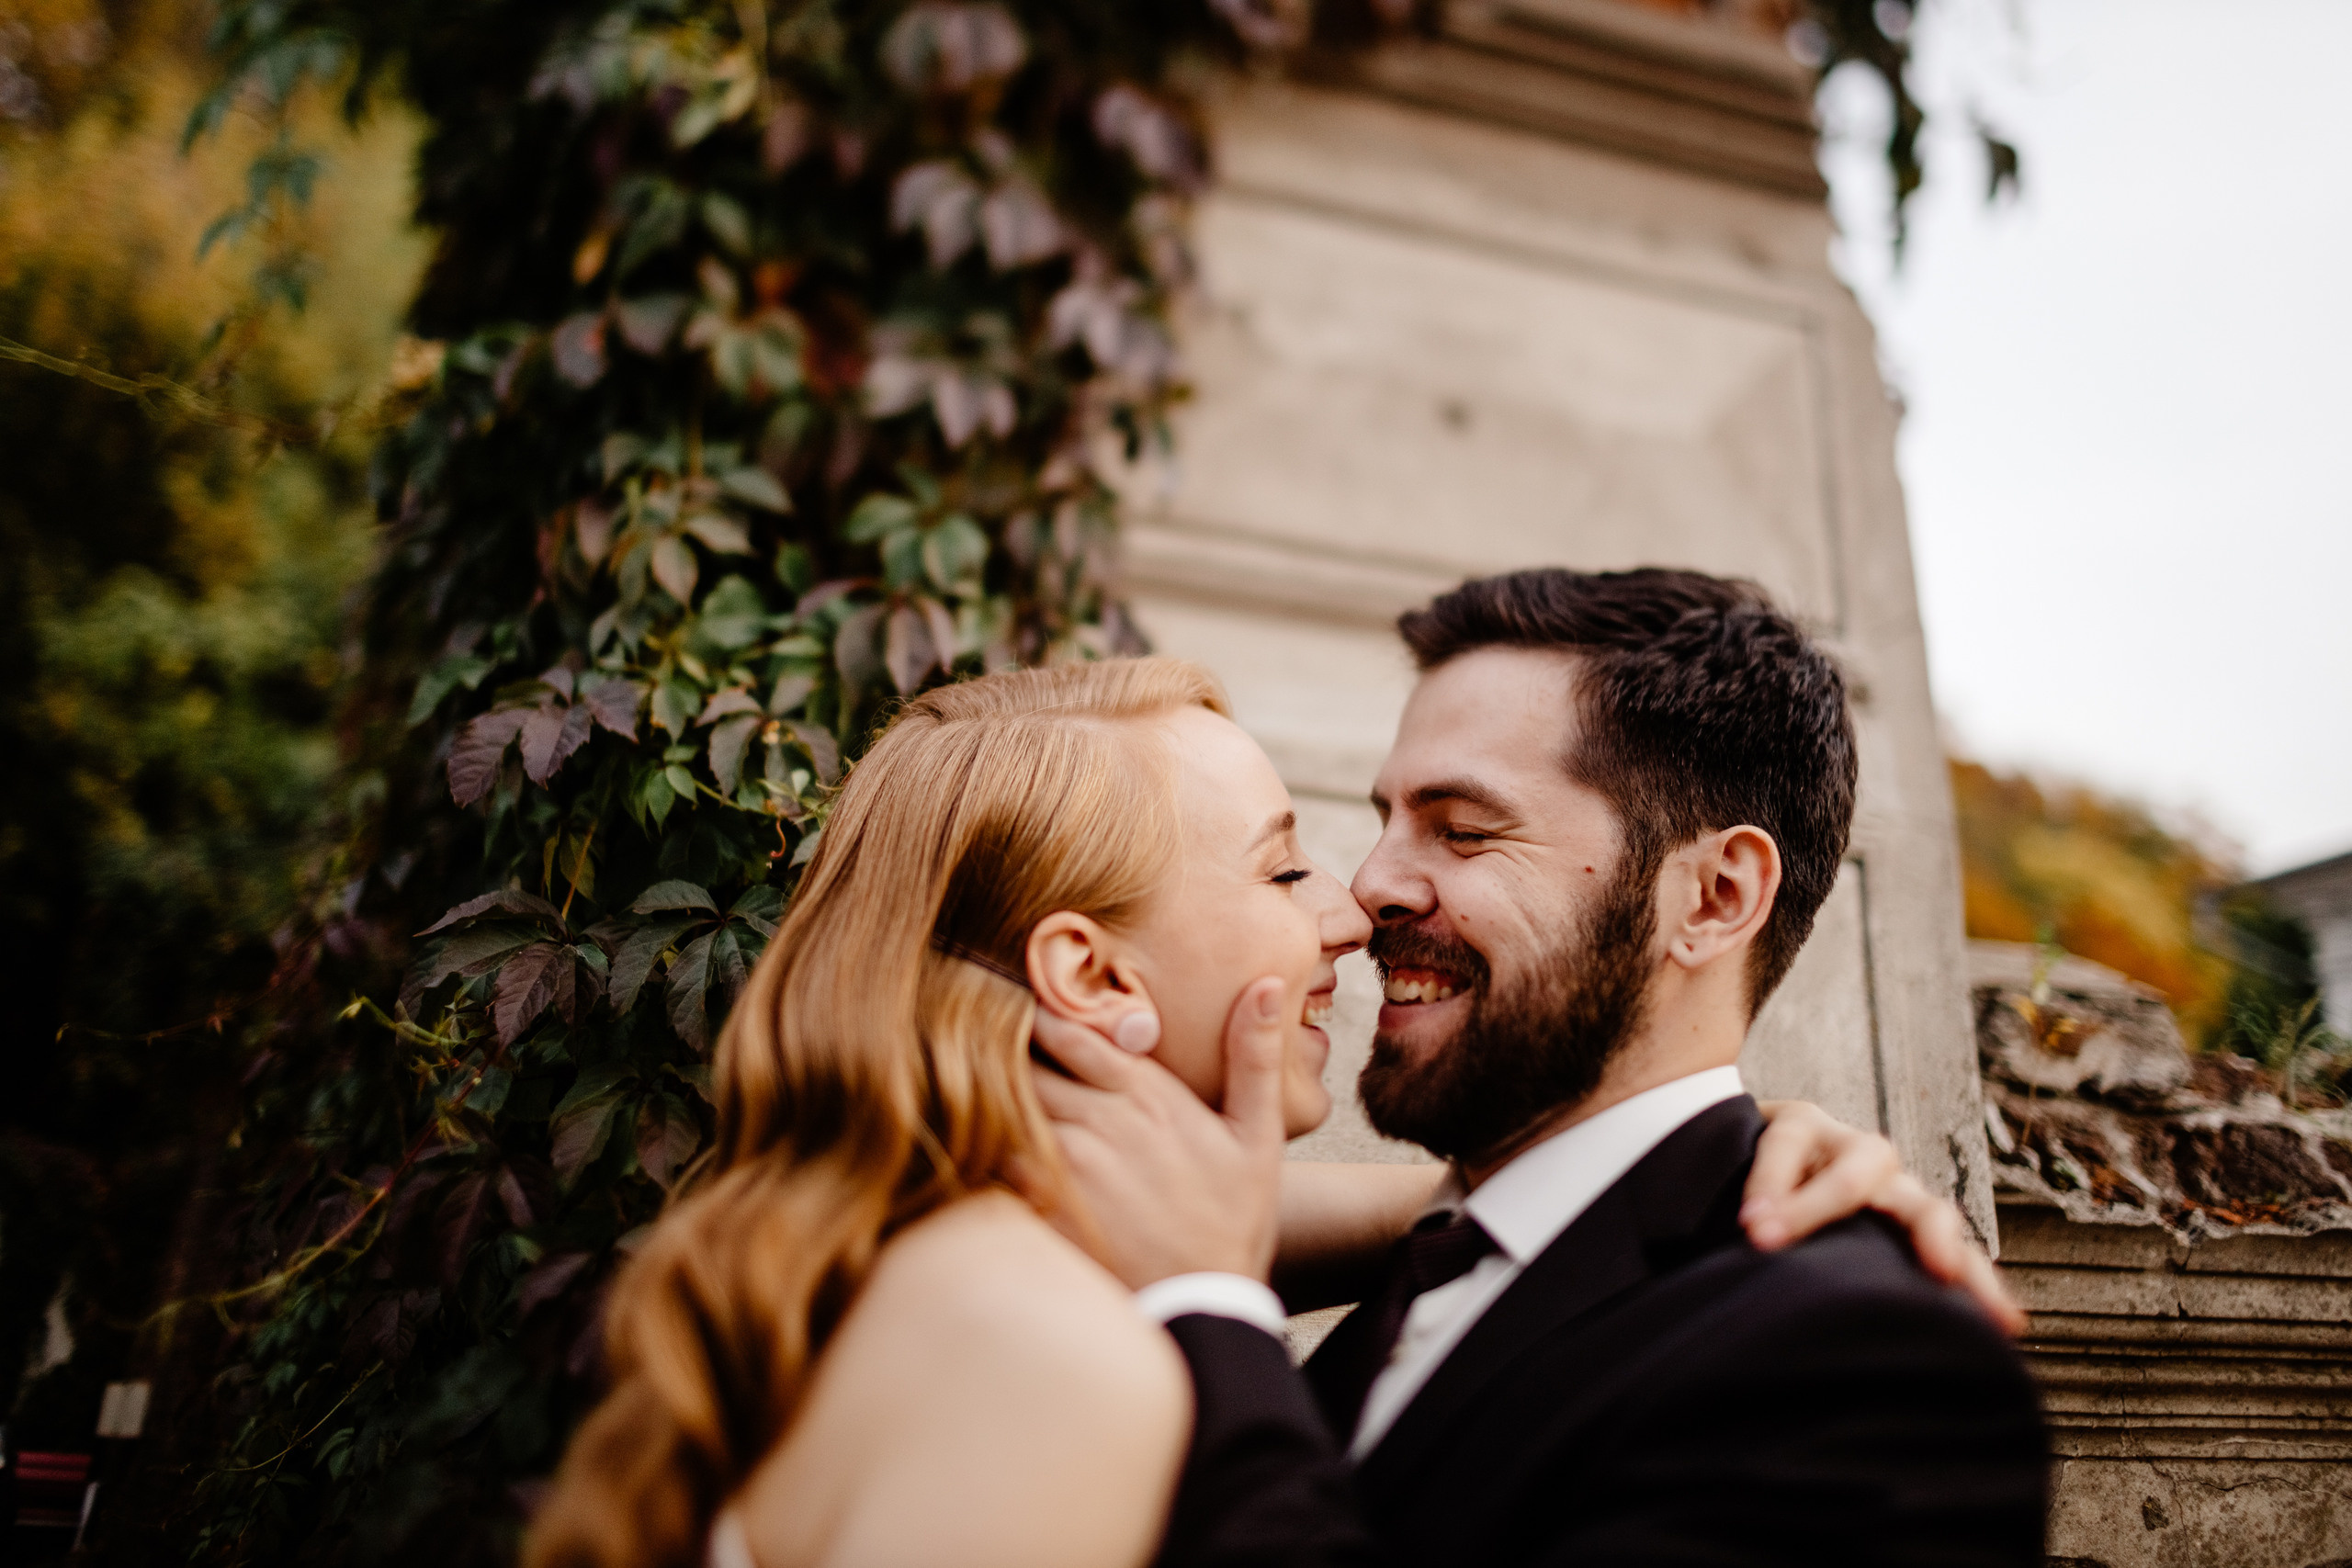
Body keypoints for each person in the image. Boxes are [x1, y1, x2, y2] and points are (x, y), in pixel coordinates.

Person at [525, 653, 2012, 1568]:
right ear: (1089, 971)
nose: (1352, 917)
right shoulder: (1060, 1356)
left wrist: (1735, 1154)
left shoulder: (913, 1224)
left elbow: (1459, 1223)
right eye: (1286, 867)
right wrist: (1209, 1296)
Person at [1031, 570, 2050, 1568]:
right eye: (1387, 821)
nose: (1369, 886)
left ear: (1713, 898)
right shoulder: (1449, 1256)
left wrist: (1210, 1311)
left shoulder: (1868, 1368)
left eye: (1464, 832)